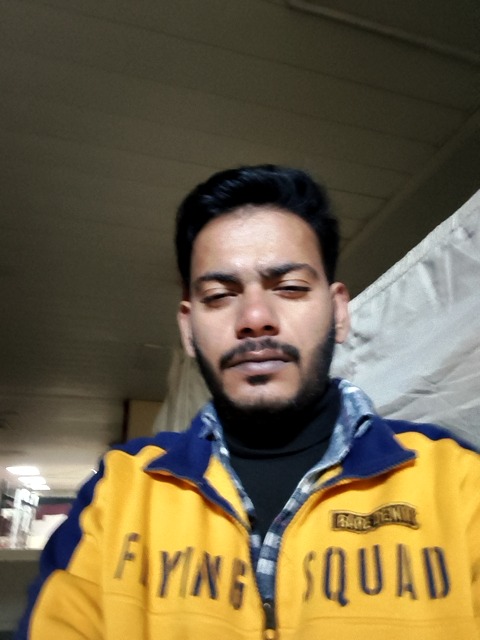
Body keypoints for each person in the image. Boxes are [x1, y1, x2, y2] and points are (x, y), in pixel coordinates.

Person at [16, 165, 480, 639]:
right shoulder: (120, 492)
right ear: (188, 328)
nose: (255, 317)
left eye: (290, 288)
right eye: (220, 295)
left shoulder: (460, 484)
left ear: (339, 312)